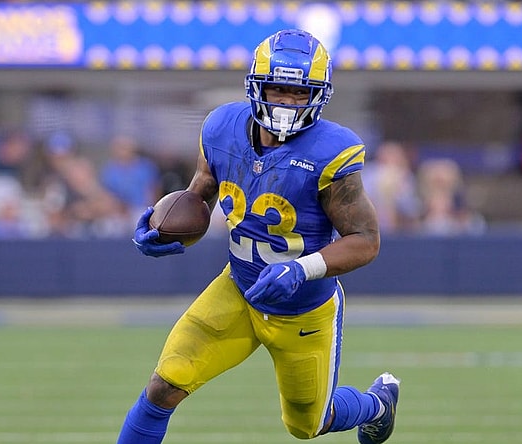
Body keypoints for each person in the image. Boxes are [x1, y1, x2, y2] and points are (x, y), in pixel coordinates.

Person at [118, 29, 400, 444]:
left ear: (318, 96)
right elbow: (201, 192)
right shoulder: (220, 129)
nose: (286, 102)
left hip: (303, 309)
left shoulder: (331, 152)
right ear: (256, 86)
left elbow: (365, 239)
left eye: (298, 93)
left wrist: (301, 270)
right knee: (164, 385)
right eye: (277, 89)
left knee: (307, 426)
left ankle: (377, 405)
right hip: (238, 288)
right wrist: (163, 226)